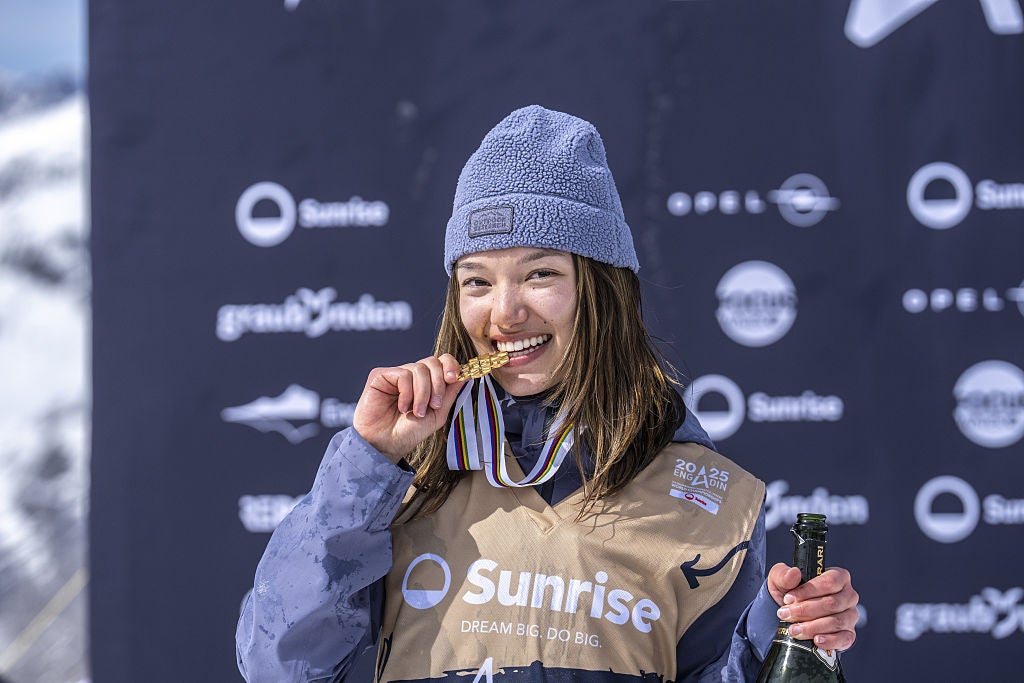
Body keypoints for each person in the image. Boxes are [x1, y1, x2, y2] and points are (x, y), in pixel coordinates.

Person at [235, 105, 859, 682]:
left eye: (540, 274)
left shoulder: (706, 493)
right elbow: (280, 665)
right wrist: (369, 465)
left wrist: (780, 635)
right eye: (476, 281)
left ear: (604, 291)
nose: (504, 314)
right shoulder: (405, 474)